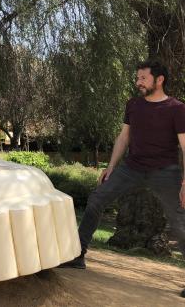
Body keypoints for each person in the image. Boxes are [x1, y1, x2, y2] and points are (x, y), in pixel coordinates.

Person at [60, 60, 185, 296]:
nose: (138, 82)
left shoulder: (176, 108)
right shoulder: (133, 105)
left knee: (179, 222)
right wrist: (111, 167)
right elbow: (123, 137)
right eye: (137, 78)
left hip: (165, 172)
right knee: (97, 199)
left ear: (159, 80)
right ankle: (78, 256)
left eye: (143, 78)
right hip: (132, 167)